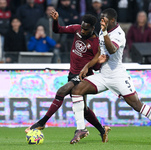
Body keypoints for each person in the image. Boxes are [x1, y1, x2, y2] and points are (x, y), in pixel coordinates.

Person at [70, 8, 151, 144]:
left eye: (104, 19)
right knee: (76, 90)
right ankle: (81, 129)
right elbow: (100, 52)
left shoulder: (119, 34)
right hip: (103, 76)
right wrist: (88, 66)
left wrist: (104, 32)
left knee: (137, 105)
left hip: (118, 77)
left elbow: (112, 49)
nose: (101, 21)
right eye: (101, 19)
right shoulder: (103, 31)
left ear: (113, 20)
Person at [25, 10, 111, 144]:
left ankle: (42, 123)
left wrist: (98, 63)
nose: (82, 31)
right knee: (83, 109)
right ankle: (102, 130)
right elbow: (57, 30)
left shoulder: (95, 43)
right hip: (72, 74)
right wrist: (55, 20)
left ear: (93, 28)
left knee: (61, 91)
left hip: (84, 76)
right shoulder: (77, 29)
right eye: (82, 28)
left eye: (86, 29)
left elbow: (96, 67)